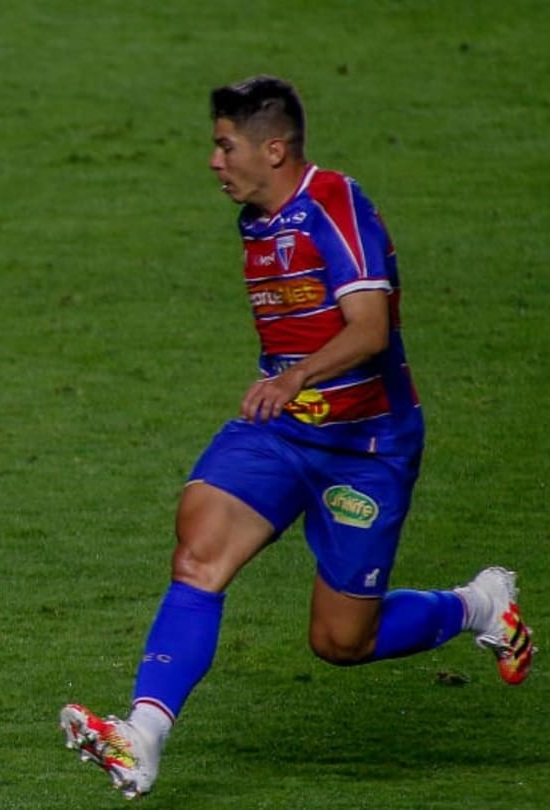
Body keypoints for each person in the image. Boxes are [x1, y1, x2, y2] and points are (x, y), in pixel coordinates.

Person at [58, 75, 533, 800]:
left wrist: (295, 377)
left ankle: (479, 605)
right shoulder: (256, 219)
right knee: (198, 553)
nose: (214, 161)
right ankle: (142, 736)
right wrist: (288, 389)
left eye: (226, 146)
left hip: (367, 448)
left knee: (342, 640)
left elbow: (370, 330)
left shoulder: (335, 204)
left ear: (273, 149)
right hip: (282, 432)